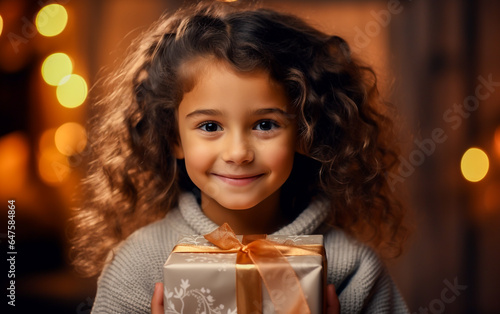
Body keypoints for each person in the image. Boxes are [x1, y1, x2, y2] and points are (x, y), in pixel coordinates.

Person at [71, 1, 409, 313]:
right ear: (174, 138)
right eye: (209, 126)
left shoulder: (352, 267)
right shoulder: (139, 264)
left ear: (304, 133)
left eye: (265, 124)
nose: (237, 153)